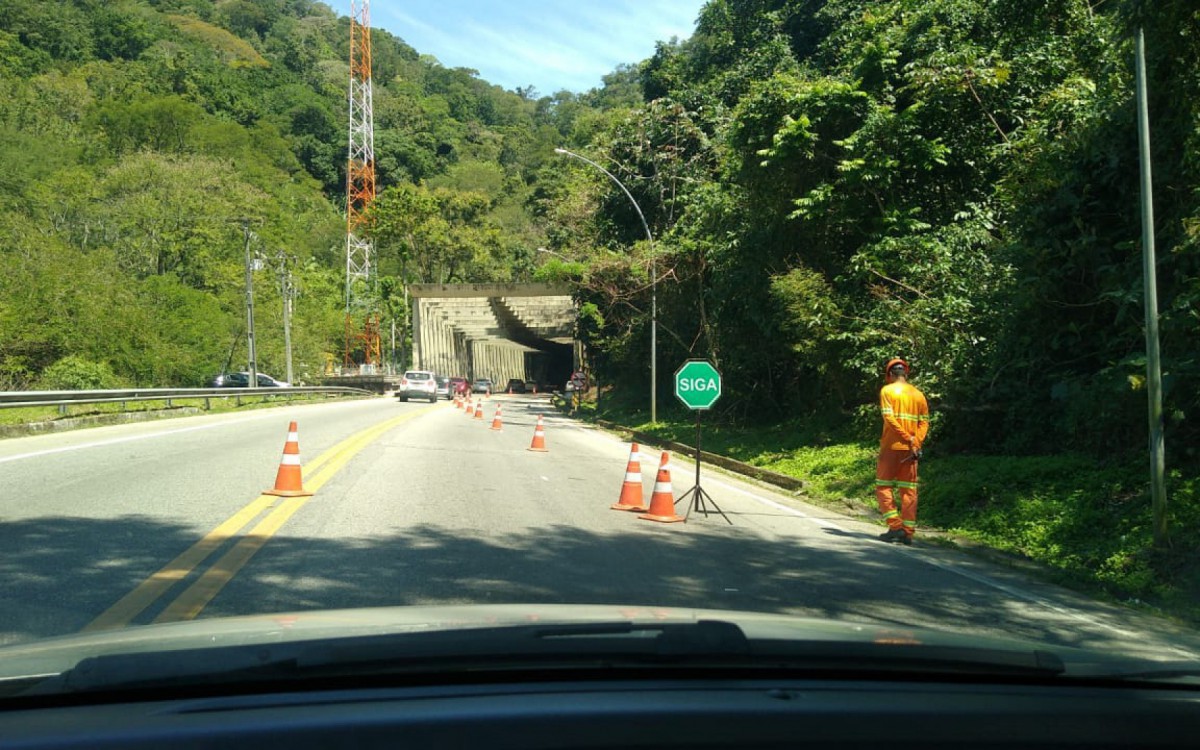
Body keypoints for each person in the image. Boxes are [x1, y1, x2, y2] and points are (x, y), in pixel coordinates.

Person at [876, 357, 930, 545]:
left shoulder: (887, 391)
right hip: (911, 449)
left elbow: (889, 420)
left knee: (883, 486)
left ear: (890, 374)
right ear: (905, 373)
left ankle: (895, 526)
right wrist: (916, 442)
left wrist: (907, 438)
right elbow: (924, 422)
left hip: (892, 447)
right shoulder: (919, 394)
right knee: (909, 490)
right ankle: (908, 533)